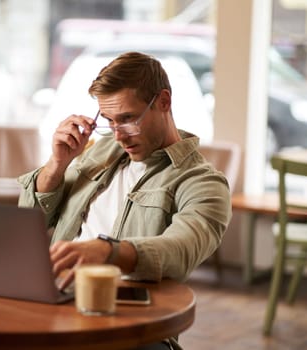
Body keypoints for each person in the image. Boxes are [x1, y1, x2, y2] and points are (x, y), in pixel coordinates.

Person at [18, 52, 232, 350]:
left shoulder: (202, 182)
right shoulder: (98, 153)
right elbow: (31, 223)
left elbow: (182, 249)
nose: (118, 135)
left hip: (130, 324)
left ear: (164, 102)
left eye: (128, 119)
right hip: (57, 304)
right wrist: (56, 165)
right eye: (109, 121)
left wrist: (109, 251)